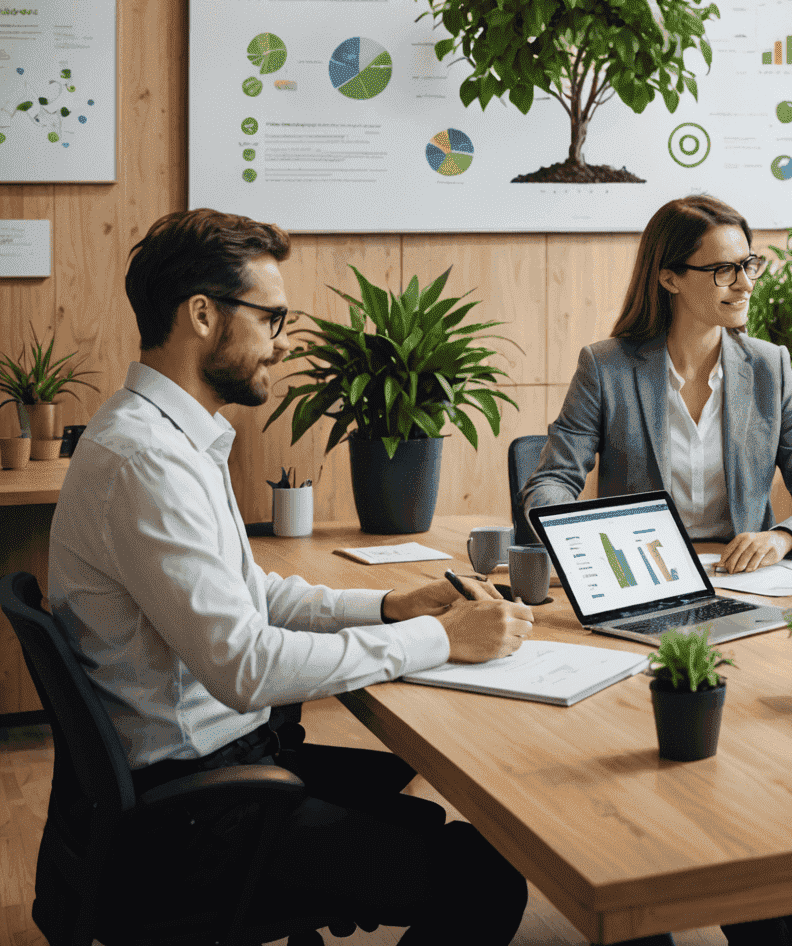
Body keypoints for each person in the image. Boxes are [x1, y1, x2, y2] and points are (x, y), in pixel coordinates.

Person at [47, 208, 534, 946]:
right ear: (203, 314)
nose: (282, 341)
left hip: (203, 773)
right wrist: (440, 638)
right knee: (484, 873)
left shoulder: (164, 438)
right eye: (273, 318)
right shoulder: (149, 461)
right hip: (195, 814)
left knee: (425, 813)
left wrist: (393, 607)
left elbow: (252, 598)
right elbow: (245, 665)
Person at [521, 193, 792, 946]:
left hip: (745, 590)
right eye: (725, 269)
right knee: (663, 761)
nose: (744, 283)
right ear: (670, 278)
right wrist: (596, 538)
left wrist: (784, 538)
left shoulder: (768, 367)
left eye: (749, 264)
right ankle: (651, 887)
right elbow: (548, 483)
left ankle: (781, 890)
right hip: (646, 589)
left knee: (767, 751)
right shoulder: (608, 367)